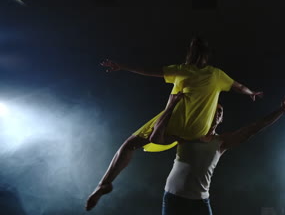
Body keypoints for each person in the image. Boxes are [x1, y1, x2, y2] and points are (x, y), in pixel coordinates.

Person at [85, 37, 263, 211]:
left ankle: (104, 183)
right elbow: (238, 87)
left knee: (129, 145)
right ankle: (104, 184)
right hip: (194, 130)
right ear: (204, 56)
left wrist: (123, 66)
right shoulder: (214, 74)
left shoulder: (188, 70)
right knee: (133, 145)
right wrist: (250, 93)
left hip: (174, 123)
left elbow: (150, 70)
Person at [159, 95, 285, 215]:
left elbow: (253, 128)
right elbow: (157, 136)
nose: (217, 113)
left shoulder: (221, 142)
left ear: (221, 119)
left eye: (220, 112)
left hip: (200, 201)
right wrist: (171, 106)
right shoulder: (188, 134)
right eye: (214, 109)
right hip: (174, 197)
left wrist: (280, 111)